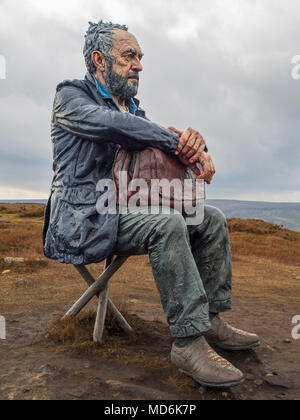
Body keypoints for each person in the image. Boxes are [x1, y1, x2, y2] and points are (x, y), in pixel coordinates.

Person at [43, 21, 260, 388]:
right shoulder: (71, 97)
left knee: (209, 218)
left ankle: (212, 319)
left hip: (122, 208)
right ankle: (189, 343)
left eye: (140, 57)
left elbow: (150, 133)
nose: (139, 65)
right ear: (99, 60)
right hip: (83, 218)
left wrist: (195, 145)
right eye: (129, 56)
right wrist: (175, 142)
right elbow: (116, 126)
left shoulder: (132, 110)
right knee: (166, 223)